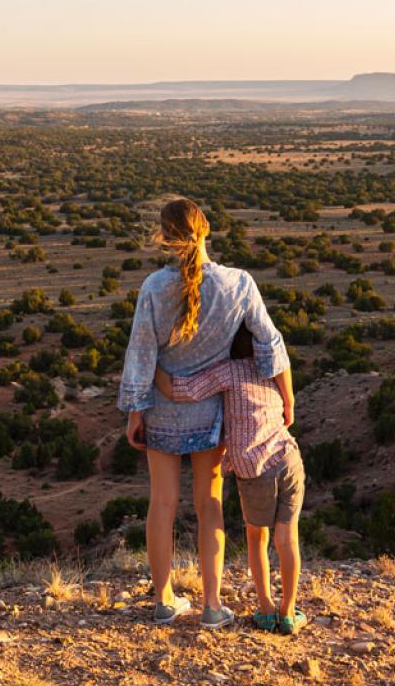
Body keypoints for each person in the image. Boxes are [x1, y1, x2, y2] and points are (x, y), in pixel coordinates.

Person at [117, 198, 290, 628]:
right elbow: (270, 343)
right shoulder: (239, 283)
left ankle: (164, 600)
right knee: (209, 503)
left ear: (165, 235)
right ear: (207, 230)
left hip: (161, 410)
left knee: (162, 503)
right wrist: (286, 398)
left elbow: (141, 352)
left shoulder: (154, 288)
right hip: (212, 413)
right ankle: (212, 606)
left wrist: (134, 410)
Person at [153, 331, 306, 635]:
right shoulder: (270, 367)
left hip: (254, 471)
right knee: (288, 538)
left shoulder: (227, 371)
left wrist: (151, 361)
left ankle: (265, 608)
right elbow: (282, 356)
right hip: (288, 459)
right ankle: (288, 612)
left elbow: (180, 390)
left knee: (257, 538)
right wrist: (289, 402)